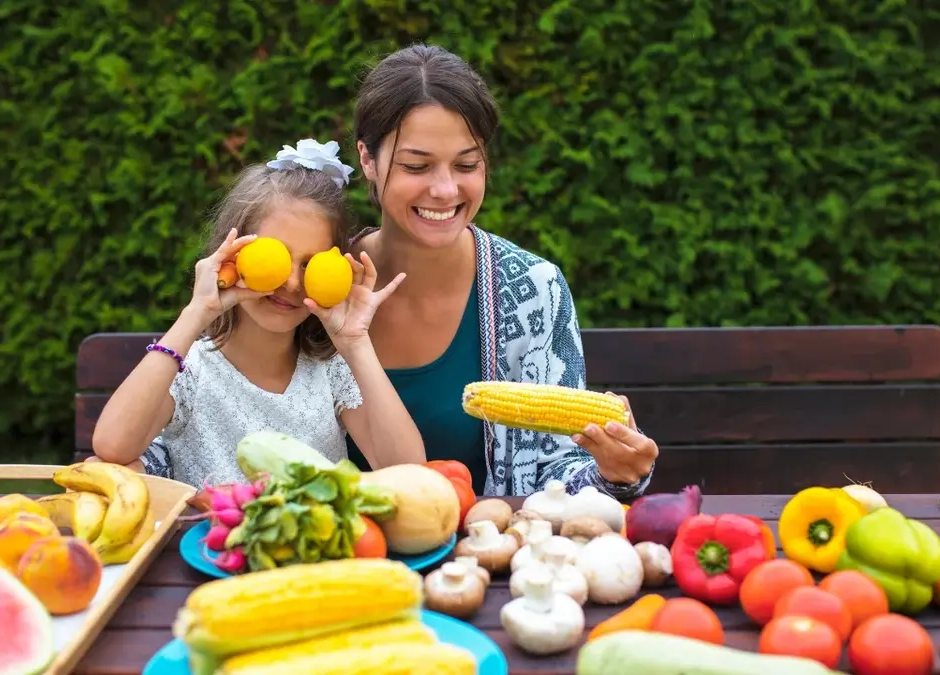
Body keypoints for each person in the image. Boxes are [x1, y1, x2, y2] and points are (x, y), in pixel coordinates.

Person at [135, 45, 659, 500]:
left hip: (474, 562)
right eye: (416, 165)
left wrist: (615, 475)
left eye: (466, 164)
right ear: (366, 158)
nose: (445, 190)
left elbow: (555, 470)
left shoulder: (532, 292)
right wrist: (137, 472)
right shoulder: (310, 283)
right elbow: (205, 411)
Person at [89, 139, 425, 488]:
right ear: (232, 254)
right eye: (275, 258)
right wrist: (196, 313)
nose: (293, 282)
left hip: (311, 540)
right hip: (207, 541)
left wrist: (356, 343)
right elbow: (112, 446)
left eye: (311, 265)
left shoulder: (330, 372)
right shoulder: (190, 368)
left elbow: (408, 471)